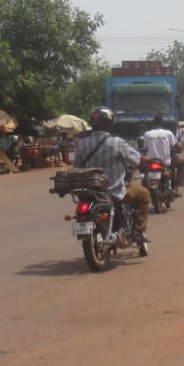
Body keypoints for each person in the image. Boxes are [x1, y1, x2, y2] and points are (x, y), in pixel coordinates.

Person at [76, 107, 151, 255]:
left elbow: (77, 168)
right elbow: (137, 159)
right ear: (109, 124)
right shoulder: (116, 142)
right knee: (144, 195)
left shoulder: (82, 144)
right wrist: (148, 161)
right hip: (114, 190)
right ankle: (138, 231)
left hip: (91, 192)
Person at [140, 115, 180, 197]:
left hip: (150, 161)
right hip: (165, 162)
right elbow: (176, 145)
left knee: (142, 168)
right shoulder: (168, 133)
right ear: (162, 123)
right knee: (183, 162)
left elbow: (144, 147)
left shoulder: (147, 134)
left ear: (153, 123)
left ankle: (144, 186)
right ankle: (176, 188)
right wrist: (179, 150)